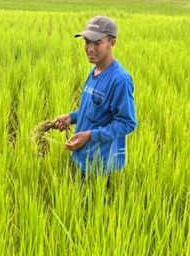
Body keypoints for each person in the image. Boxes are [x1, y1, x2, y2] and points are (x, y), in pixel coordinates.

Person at [50, 15, 137, 177]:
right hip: (83, 156)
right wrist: (71, 117)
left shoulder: (120, 80)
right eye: (87, 42)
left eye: (97, 43)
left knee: (94, 202)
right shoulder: (95, 70)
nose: (90, 48)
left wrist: (90, 135)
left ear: (112, 43)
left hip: (101, 166)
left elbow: (127, 123)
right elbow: (93, 109)